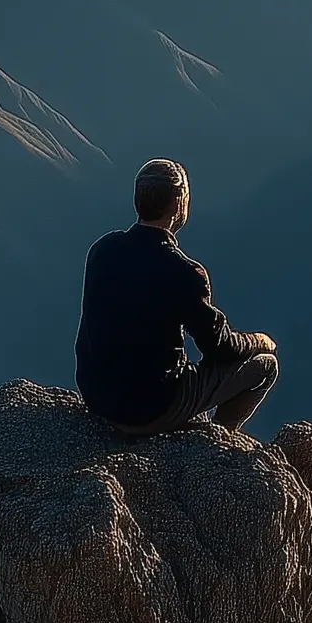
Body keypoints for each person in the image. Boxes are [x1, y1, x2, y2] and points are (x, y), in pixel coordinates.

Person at [75, 158, 279, 435]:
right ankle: (218, 441)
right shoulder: (185, 273)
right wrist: (258, 340)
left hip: (97, 398)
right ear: (178, 204)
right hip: (150, 410)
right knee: (266, 366)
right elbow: (220, 347)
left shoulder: (102, 250)